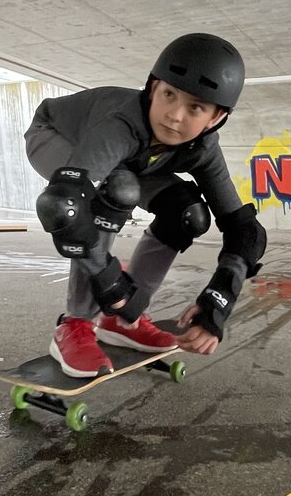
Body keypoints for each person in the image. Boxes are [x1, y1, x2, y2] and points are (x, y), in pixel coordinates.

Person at [24, 33, 267, 377]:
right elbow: (63, 206)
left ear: (215, 118)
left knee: (187, 214)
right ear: (153, 88)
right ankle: (75, 323)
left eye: (194, 107)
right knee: (115, 189)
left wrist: (217, 304)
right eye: (169, 94)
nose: (174, 115)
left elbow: (245, 231)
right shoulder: (120, 124)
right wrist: (112, 285)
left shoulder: (203, 149)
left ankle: (122, 321)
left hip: (136, 160)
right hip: (55, 136)